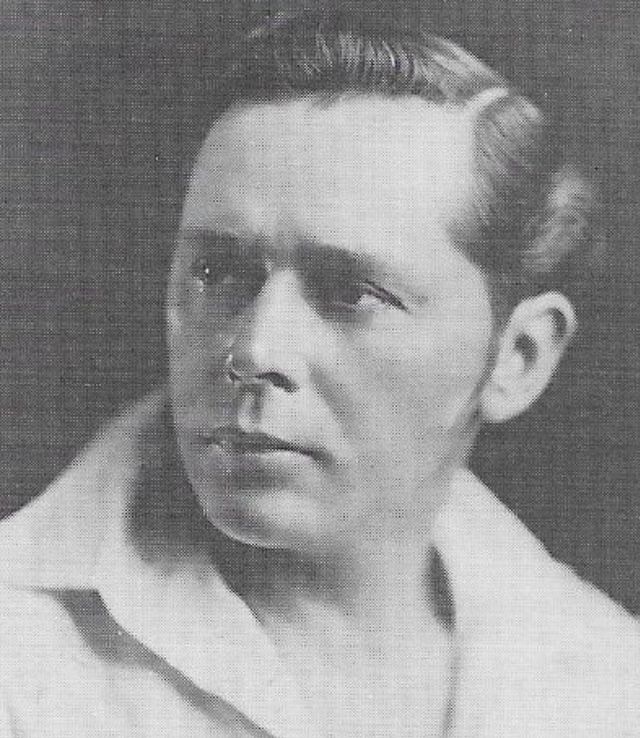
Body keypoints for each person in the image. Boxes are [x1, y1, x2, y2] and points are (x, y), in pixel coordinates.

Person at [0, 9, 638, 737]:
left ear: (518, 358)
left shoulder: (608, 686)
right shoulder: (16, 652)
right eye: (217, 272)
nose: (255, 350)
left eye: (351, 293)